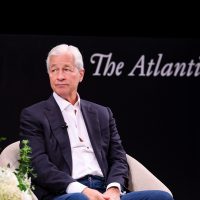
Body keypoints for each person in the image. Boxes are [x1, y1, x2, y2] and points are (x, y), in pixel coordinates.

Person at [19, 44, 174, 200]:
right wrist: (82, 190)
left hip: (105, 191)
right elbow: (38, 164)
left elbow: (118, 157)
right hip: (67, 193)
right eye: (54, 70)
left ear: (81, 74)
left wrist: (114, 188)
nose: (59, 76)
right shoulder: (33, 115)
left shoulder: (102, 113)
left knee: (162, 197)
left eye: (66, 69)